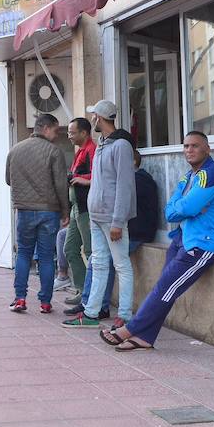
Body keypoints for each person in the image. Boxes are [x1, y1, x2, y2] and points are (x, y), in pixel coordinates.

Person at [102, 132, 214, 351]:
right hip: (184, 238)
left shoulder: (212, 174)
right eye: (186, 146)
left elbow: (187, 208)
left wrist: (186, 208)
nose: (189, 150)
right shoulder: (189, 175)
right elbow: (171, 211)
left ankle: (130, 330)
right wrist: (184, 208)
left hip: (206, 244)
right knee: (164, 288)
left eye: (195, 146)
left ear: (207, 149)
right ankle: (145, 337)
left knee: (166, 287)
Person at [65, 100, 135, 328]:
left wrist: (118, 221)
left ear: (99, 118)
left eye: (94, 115)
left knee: (121, 265)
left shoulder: (121, 145)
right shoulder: (103, 143)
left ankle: (125, 315)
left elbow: (124, 185)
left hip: (111, 218)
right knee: (100, 263)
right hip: (96, 216)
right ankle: (92, 313)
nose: (92, 118)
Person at [5, 113, 70, 314]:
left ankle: (20, 298)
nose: (58, 134)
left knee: (24, 253)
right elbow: (61, 184)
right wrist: (65, 210)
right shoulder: (54, 152)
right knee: (46, 257)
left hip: (24, 210)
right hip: (48, 212)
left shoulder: (15, 150)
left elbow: (8, 179)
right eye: (56, 130)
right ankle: (45, 302)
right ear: (45, 128)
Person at [91, 148, 161, 324]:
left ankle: (105, 309)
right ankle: (96, 306)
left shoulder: (138, 181)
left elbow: (121, 204)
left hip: (137, 233)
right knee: (99, 261)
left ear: (132, 163)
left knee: (108, 262)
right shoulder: (136, 179)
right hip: (129, 229)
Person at [56, 118, 95, 309]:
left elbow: (99, 175)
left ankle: (91, 296)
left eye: (72, 132)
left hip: (86, 208)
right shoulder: (81, 151)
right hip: (75, 207)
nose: (69, 136)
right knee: (70, 249)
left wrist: (82, 179)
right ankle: (81, 290)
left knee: (90, 252)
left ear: (84, 133)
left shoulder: (92, 150)